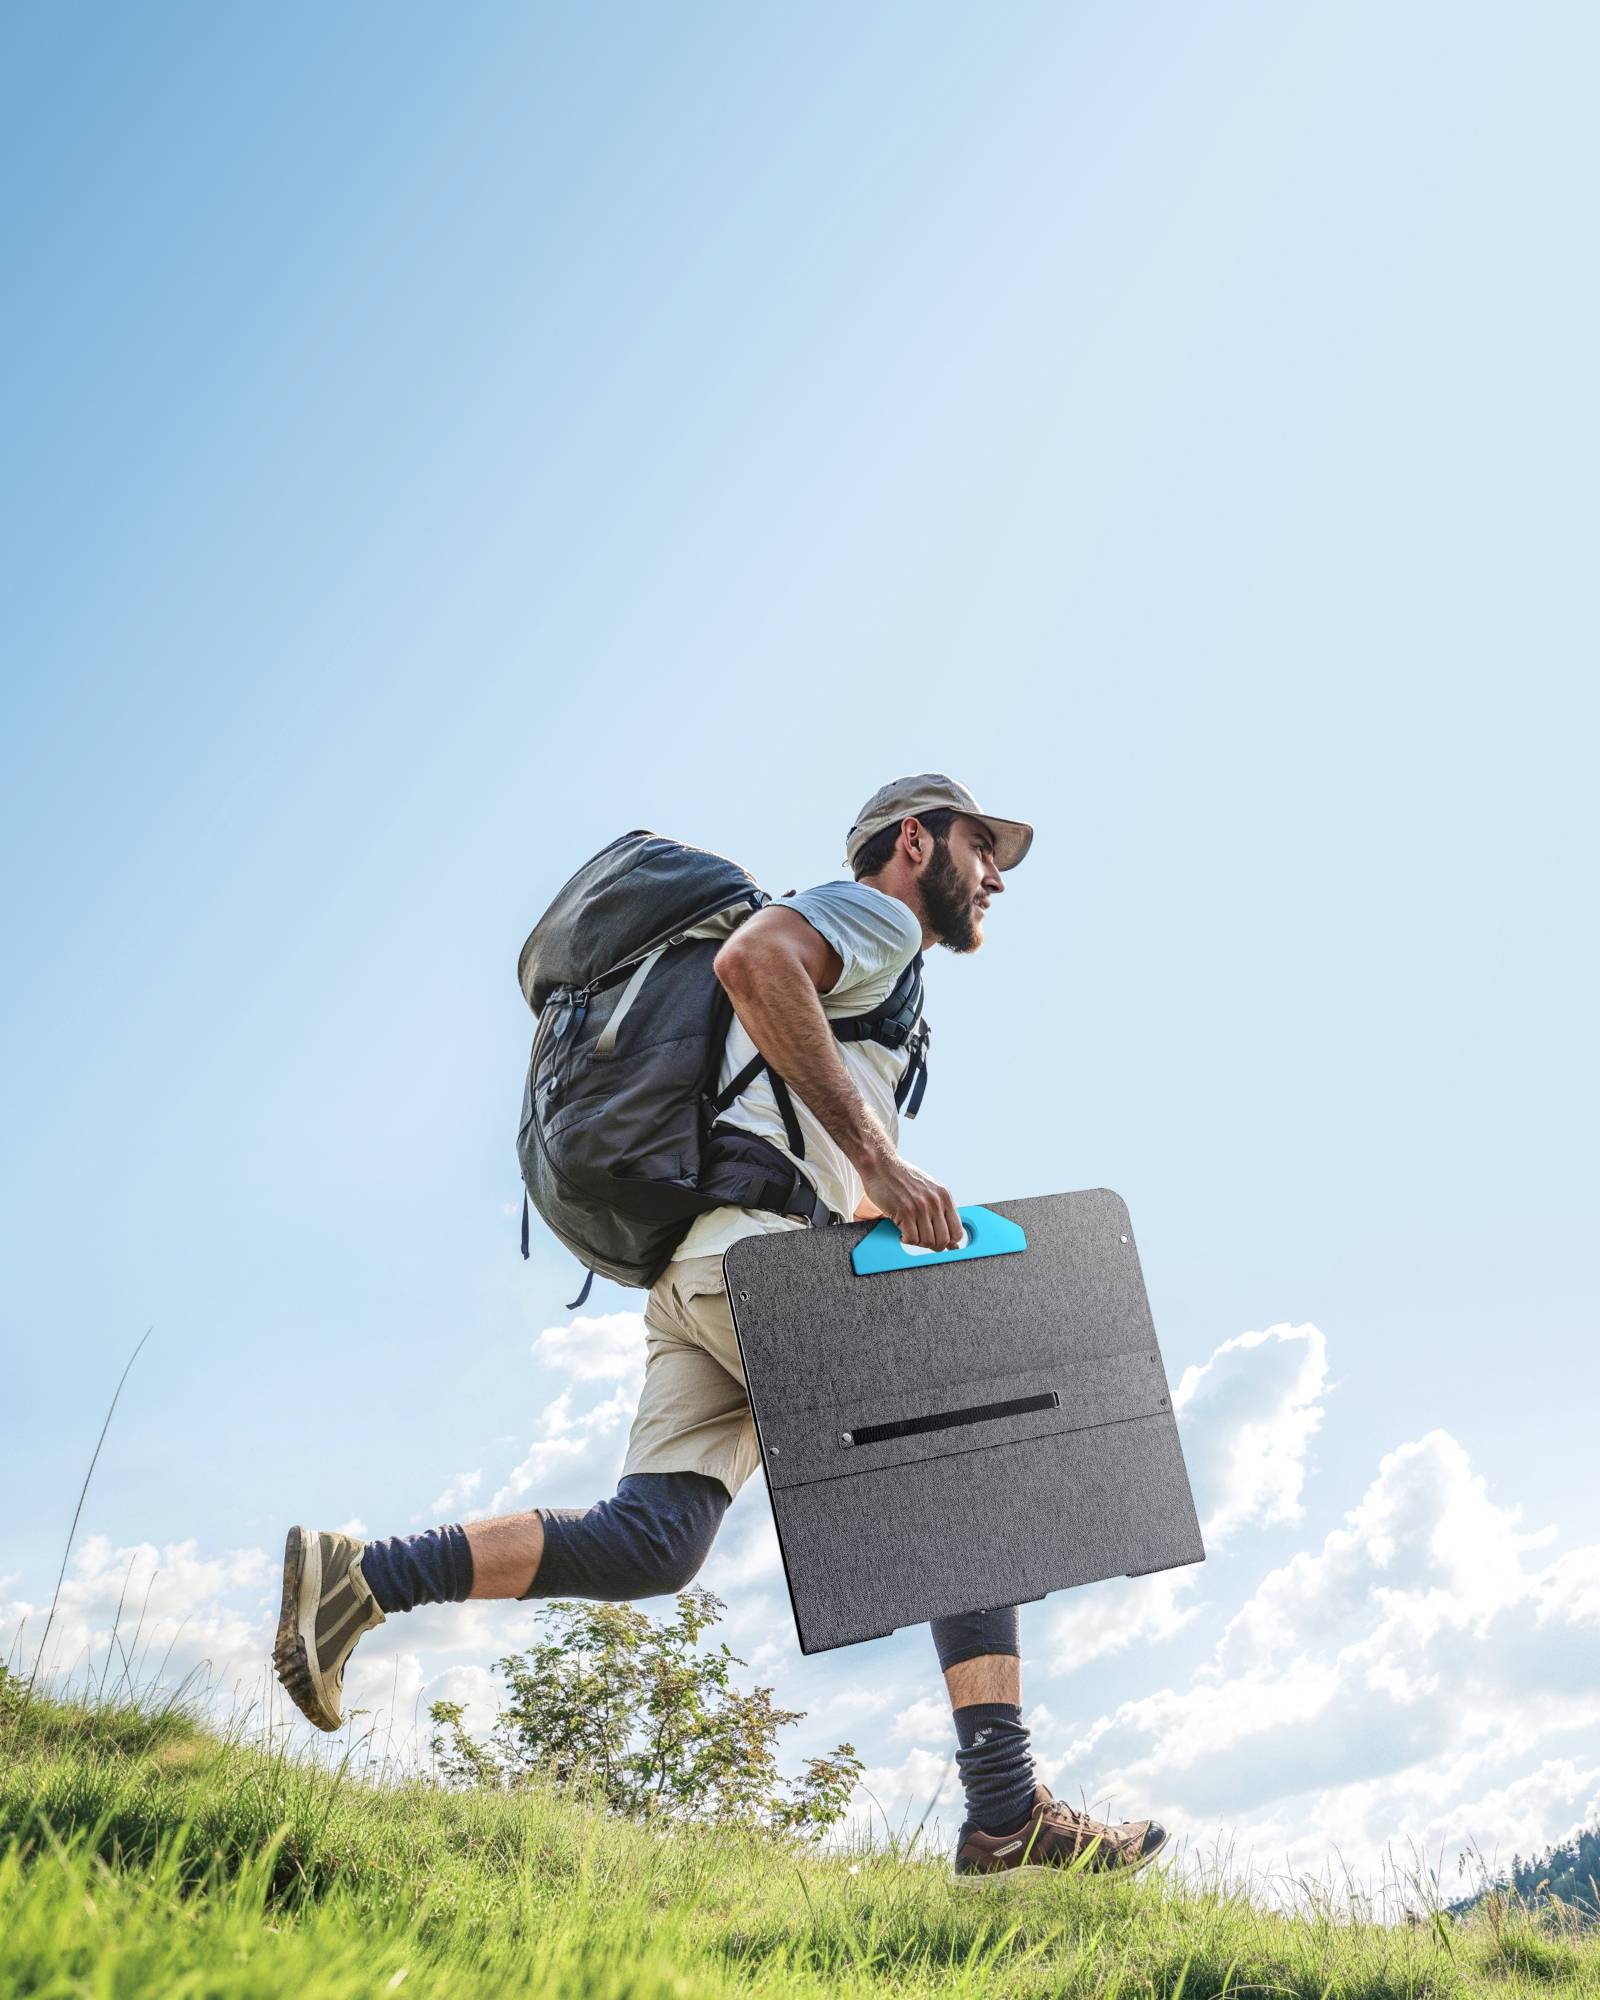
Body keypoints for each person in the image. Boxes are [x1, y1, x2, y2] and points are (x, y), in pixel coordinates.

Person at [273, 773, 1168, 1877]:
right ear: (911, 841)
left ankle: (364, 1573)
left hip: (705, 1274)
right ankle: (1004, 1810)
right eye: (982, 848)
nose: (994, 876)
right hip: (759, 1268)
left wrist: (870, 1183)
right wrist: (883, 1159)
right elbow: (752, 962)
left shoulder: (873, 974)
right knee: (954, 1478)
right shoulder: (875, 916)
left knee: (655, 1538)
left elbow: (786, 1091)